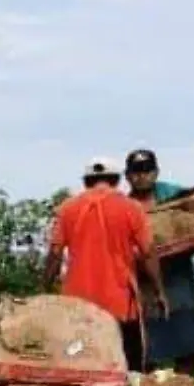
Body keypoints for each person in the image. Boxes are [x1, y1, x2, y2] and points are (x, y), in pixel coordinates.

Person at [44, 156, 166, 369]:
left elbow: (55, 253)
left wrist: (44, 288)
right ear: (117, 180)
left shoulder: (67, 209)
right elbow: (148, 252)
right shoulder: (131, 208)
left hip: (77, 307)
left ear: (86, 182)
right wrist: (159, 291)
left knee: (80, 366)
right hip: (119, 305)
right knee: (127, 369)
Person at [123, 148, 194, 375]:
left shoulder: (172, 194)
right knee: (146, 345)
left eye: (146, 171)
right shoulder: (125, 206)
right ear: (128, 176)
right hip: (142, 281)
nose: (141, 176)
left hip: (178, 275)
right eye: (136, 172)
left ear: (155, 172)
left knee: (188, 341)